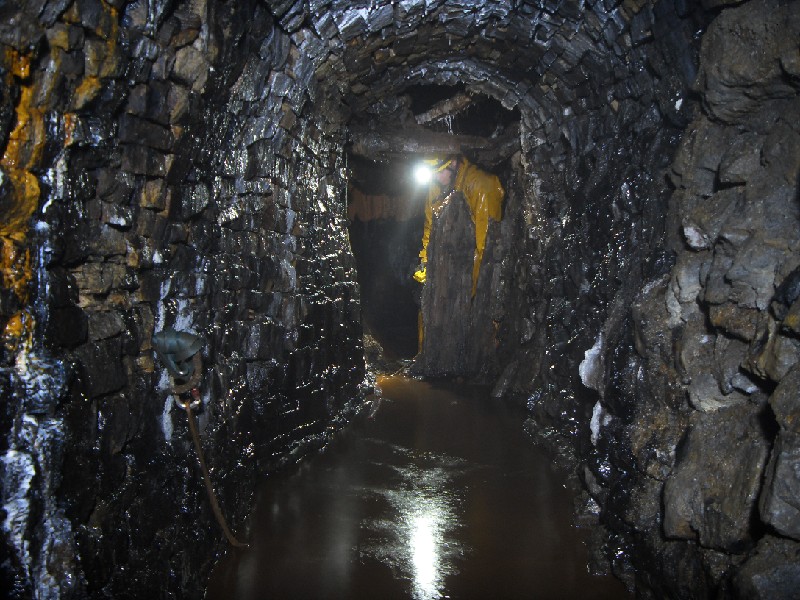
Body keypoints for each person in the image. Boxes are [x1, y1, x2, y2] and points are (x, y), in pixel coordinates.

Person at [414, 155, 504, 298]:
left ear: (454, 163)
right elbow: (430, 228)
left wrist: (468, 292)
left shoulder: (481, 186)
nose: (436, 178)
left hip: (470, 278)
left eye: (439, 171)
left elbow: (486, 249)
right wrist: (426, 263)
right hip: (446, 273)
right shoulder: (438, 184)